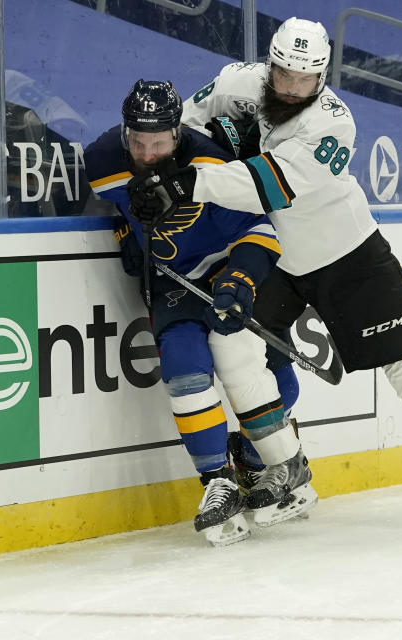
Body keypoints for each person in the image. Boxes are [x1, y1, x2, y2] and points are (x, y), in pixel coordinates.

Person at [128, 18, 402, 534]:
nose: (291, 88)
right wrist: (154, 166)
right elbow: (177, 124)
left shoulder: (334, 123)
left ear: (321, 76)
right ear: (270, 65)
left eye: (304, 79)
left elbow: (269, 185)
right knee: (230, 346)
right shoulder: (239, 83)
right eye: (283, 75)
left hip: (350, 257)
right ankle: (285, 467)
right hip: (277, 258)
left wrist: (187, 183)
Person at [84, 79, 316, 546]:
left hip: (238, 268)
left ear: (178, 133)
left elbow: (261, 230)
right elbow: (113, 203)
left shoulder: (211, 163)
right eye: (139, 142)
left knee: (264, 366)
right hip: (175, 280)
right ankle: (218, 482)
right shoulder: (104, 160)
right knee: (184, 369)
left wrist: (240, 279)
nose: (147, 153)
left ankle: (262, 463)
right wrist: (126, 232)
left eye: (159, 143)